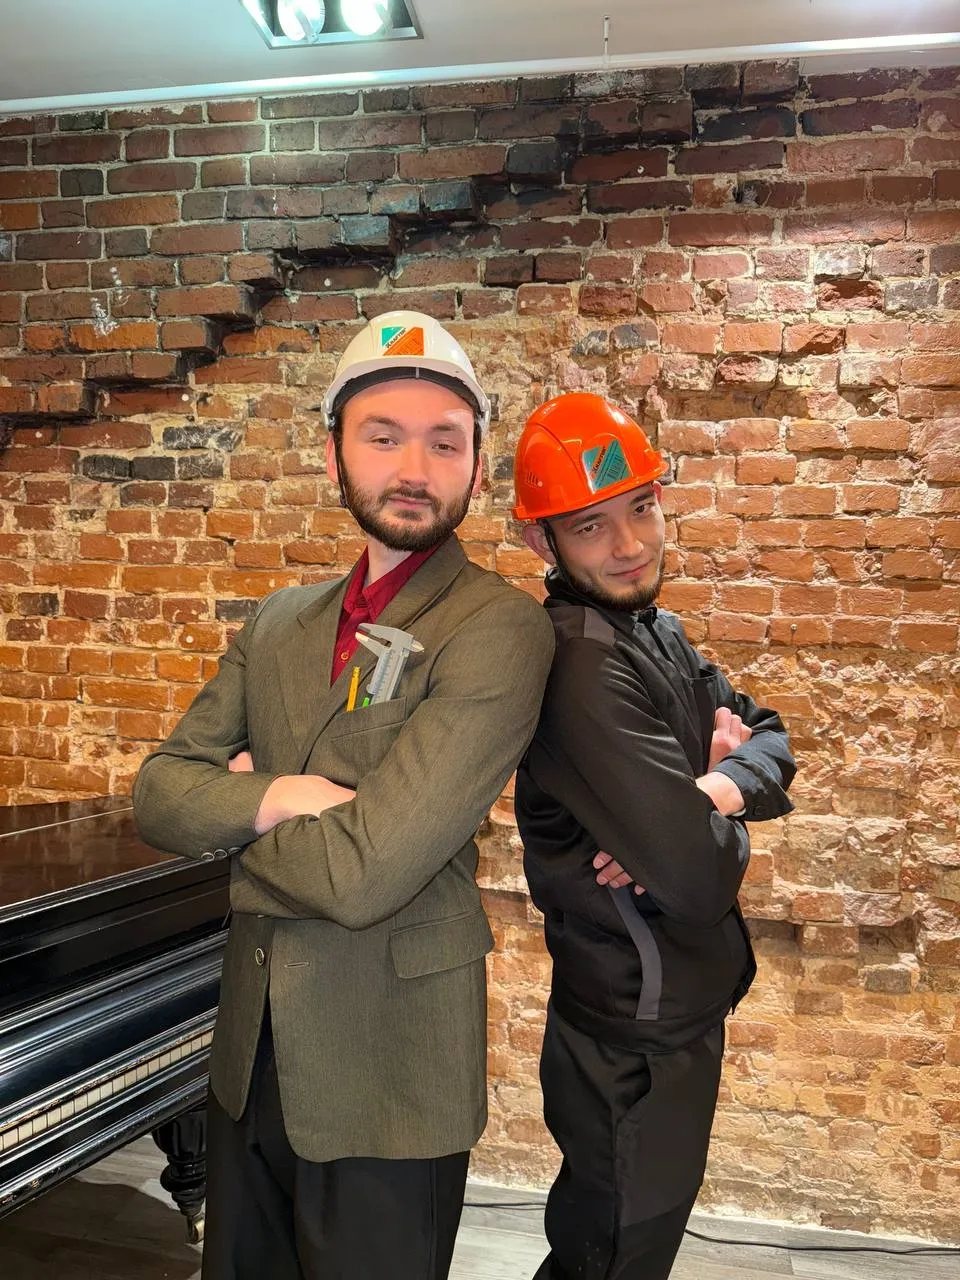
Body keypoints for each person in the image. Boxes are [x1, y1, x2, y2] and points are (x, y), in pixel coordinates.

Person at [133, 311, 555, 1280]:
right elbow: (158, 790)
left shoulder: (497, 629)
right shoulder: (279, 622)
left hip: (390, 1070)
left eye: (444, 442)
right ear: (333, 456)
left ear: (477, 467)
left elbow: (367, 872)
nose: (414, 467)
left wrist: (232, 815)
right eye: (383, 436)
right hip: (250, 1059)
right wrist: (282, 793)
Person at [511, 392, 796, 1280]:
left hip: (669, 1012)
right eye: (589, 525)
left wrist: (714, 790)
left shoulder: (653, 630)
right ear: (541, 543)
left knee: (626, 1249)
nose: (629, 543)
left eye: (641, 506)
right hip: (630, 1038)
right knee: (614, 1259)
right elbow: (700, 880)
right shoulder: (581, 664)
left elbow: (770, 732)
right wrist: (707, 827)